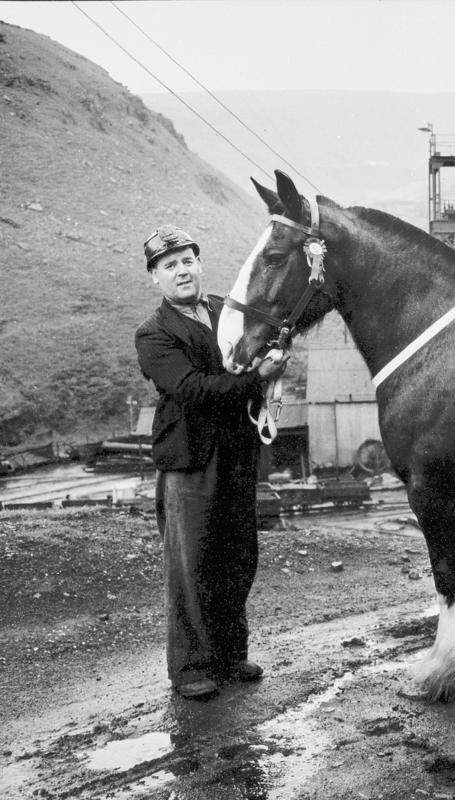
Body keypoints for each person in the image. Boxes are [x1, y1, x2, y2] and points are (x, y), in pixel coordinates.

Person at [135, 225, 288, 700]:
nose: (181, 271)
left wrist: (275, 352)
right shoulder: (153, 334)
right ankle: (190, 668)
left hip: (238, 453)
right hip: (189, 460)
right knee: (191, 563)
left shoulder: (228, 310)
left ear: (199, 264)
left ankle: (229, 654)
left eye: (186, 261)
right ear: (154, 279)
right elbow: (192, 391)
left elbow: (259, 345)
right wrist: (255, 377)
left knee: (238, 554)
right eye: (168, 266)